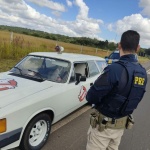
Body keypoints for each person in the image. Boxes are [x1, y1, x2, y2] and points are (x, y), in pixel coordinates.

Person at [86, 30, 147, 150]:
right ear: (138, 47)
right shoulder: (142, 72)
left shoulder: (114, 69)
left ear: (119, 45)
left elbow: (91, 96)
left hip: (103, 127)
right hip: (120, 126)